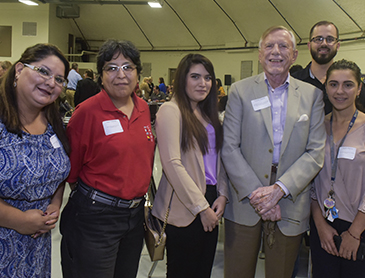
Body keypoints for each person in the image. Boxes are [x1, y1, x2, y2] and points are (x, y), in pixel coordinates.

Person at [221, 26, 326, 278]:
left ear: (294, 55)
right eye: (269, 46)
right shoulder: (239, 91)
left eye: (283, 46)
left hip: (289, 203)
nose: (276, 52)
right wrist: (260, 197)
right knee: (237, 272)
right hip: (245, 201)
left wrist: (279, 190)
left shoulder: (312, 96)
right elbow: (229, 147)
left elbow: (315, 152)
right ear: (259, 54)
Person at [60, 39, 155, 278]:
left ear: (138, 74)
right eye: (111, 68)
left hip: (134, 217)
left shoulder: (144, 109)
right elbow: (71, 170)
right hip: (96, 217)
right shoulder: (87, 112)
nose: (120, 74)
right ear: (101, 76)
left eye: (128, 67)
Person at [0, 43, 71, 277]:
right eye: (43, 71)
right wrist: (19, 220)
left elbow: (58, 170)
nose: (50, 83)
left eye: (59, 79)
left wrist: (55, 204)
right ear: (18, 70)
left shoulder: (51, 119)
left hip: (36, 247)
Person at [152, 53, 228, 278]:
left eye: (207, 77)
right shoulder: (171, 110)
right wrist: (201, 207)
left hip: (212, 198)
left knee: (203, 271)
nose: (202, 83)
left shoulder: (208, 114)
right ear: (182, 79)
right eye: (195, 76)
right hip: (187, 203)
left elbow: (219, 159)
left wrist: (222, 195)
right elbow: (172, 164)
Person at [310, 59, 365, 277]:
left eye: (348, 84)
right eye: (333, 84)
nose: (339, 91)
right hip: (324, 226)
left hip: (358, 227)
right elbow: (310, 182)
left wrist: (355, 232)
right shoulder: (317, 128)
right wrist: (320, 225)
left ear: (359, 88)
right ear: (325, 86)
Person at [292, 21, 365, 114]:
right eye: (318, 39)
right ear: (309, 46)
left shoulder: (353, 85)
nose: (324, 43)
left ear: (337, 45)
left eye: (330, 39)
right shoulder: (293, 81)